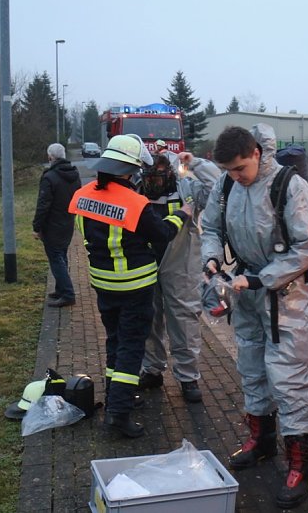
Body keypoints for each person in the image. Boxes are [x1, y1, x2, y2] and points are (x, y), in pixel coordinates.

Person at [200, 124, 308, 509]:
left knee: (288, 380)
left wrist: (260, 278)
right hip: (245, 289)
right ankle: (262, 440)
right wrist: (211, 257)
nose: (235, 177)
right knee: (251, 367)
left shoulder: (290, 186)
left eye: (239, 168)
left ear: (255, 153)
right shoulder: (225, 185)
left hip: (284, 295)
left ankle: (302, 465)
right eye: (228, 170)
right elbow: (210, 225)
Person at [68, 134, 192, 438]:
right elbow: (161, 234)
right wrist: (181, 215)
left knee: (114, 341)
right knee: (131, 350)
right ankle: (119, 414)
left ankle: (114, 399)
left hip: (102, 283)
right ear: (128, 170)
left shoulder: (83, 195)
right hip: (135, 286)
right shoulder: (135, 203)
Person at [135, 151, 221, 403]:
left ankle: (188, 377)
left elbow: (218, 187)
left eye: (159, 175)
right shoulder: (137, 189)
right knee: (148, 319)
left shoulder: (188, 189)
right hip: (146, 263)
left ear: (170, 173)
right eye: (150, 174)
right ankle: (152, 369)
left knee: (184, 322)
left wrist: (194, 163)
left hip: (181, 265)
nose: (154, 182)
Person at [33, 143, 81, 308]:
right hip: (68, 222)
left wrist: (37, 226)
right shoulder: (75, 175)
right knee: (61, 255)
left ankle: (67, 293)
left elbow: (43, 204)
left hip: (52, 225)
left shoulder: (49, 177)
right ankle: (61, 289)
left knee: (56, 258)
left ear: (50, 157)